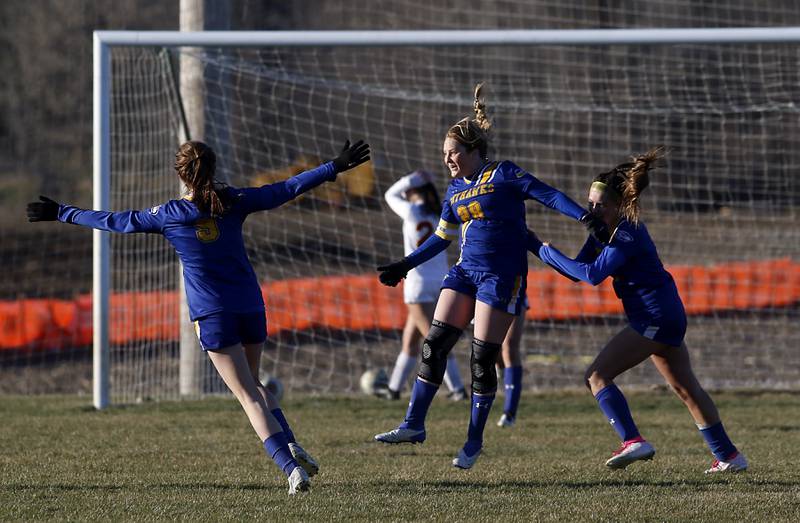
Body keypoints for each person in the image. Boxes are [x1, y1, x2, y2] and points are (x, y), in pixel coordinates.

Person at [26, 139, 371, 493]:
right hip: (251, 307)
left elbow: (118, 221)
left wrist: (62, 212)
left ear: (180, 174)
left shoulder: (171, 215)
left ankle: (289, 469)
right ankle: (292, 445)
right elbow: (284, 189)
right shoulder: (234, 201)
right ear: (214, 168)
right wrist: (333, 166)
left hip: (213, 315)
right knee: (255, 384)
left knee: (247, 396)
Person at [373, 83, 606, 469]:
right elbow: (441, 239)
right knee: (434, 344)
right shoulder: (453, 191)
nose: (448, 159)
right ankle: (413, 423)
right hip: (465, 272)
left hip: (501, 277)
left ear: (474, 150)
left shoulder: (504, 173)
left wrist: (584, 217)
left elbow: (548, 194)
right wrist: (405, 264)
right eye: (445, 153)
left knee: (482, 359)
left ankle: (473, 442)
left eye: (454, 152)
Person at [530, 147, 748, 473]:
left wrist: (542, 249)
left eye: (600, 205)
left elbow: (591, 276)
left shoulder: (627, 233)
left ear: (621, 205)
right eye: (590, 204)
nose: (592, 210)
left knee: (597, 376)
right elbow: (577, 270)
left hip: (655, 317)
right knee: (685, 388)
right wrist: (537, 249)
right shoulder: (604, 233)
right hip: (663, 316)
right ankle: (730, 457)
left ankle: (633, 440)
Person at [380, 169, 467, 401]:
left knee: (435, 341)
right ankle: (393, 389)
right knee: (410, 340)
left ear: (412, 191)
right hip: (439, 282)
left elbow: (390, 194)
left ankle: (458, 388)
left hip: (417, 285)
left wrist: (411, 178)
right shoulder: (439, 214)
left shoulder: (410, 211)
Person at [495, 304, 526, 427]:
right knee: (490, 350)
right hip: (485, 292)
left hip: (514, 292)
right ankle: (501, 380)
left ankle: (509, 413)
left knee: (510, 347)